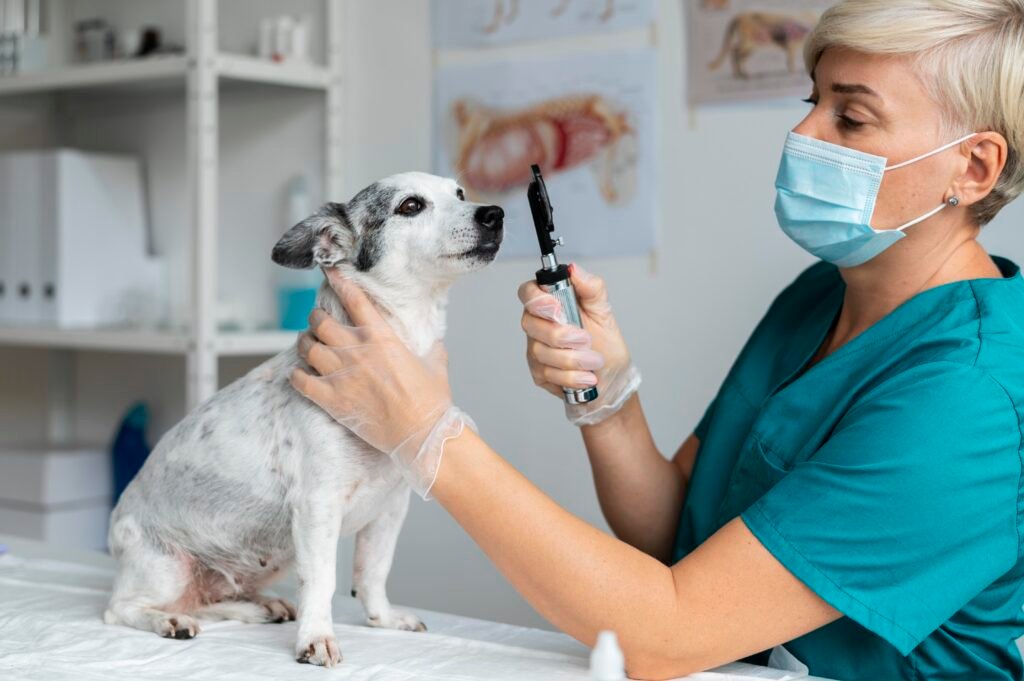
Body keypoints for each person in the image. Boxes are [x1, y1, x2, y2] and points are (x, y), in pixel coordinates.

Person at [290, 1, 1024, 678]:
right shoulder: (821, 296)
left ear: (974, 166)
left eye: (852, 119)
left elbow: (666, 629)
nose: (803, 134)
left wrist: (429, 434)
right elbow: (676, 531)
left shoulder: (973, 394)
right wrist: (609, 400)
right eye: (813, 102)